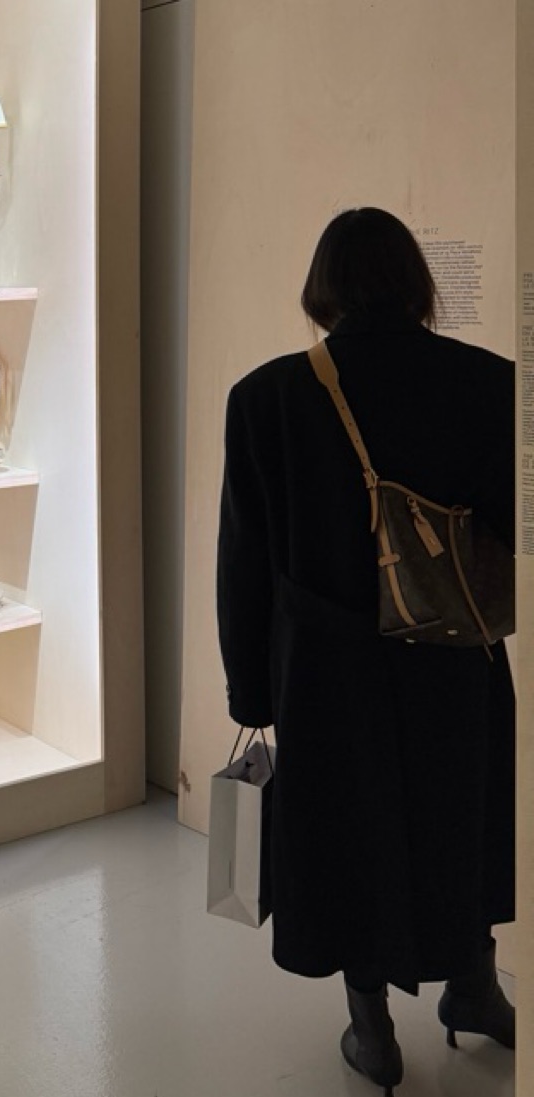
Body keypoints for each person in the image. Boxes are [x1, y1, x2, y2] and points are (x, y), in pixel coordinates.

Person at [216, 207, 515, 1096]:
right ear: (417, 282)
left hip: (324, 671)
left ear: (322, 290)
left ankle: (372, 1027)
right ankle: (474, 986)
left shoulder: (266, 398)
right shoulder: (491, 382)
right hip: (454, 653)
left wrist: (249, 690)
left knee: (351, 833)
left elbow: (245, 560)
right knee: (462, 817)